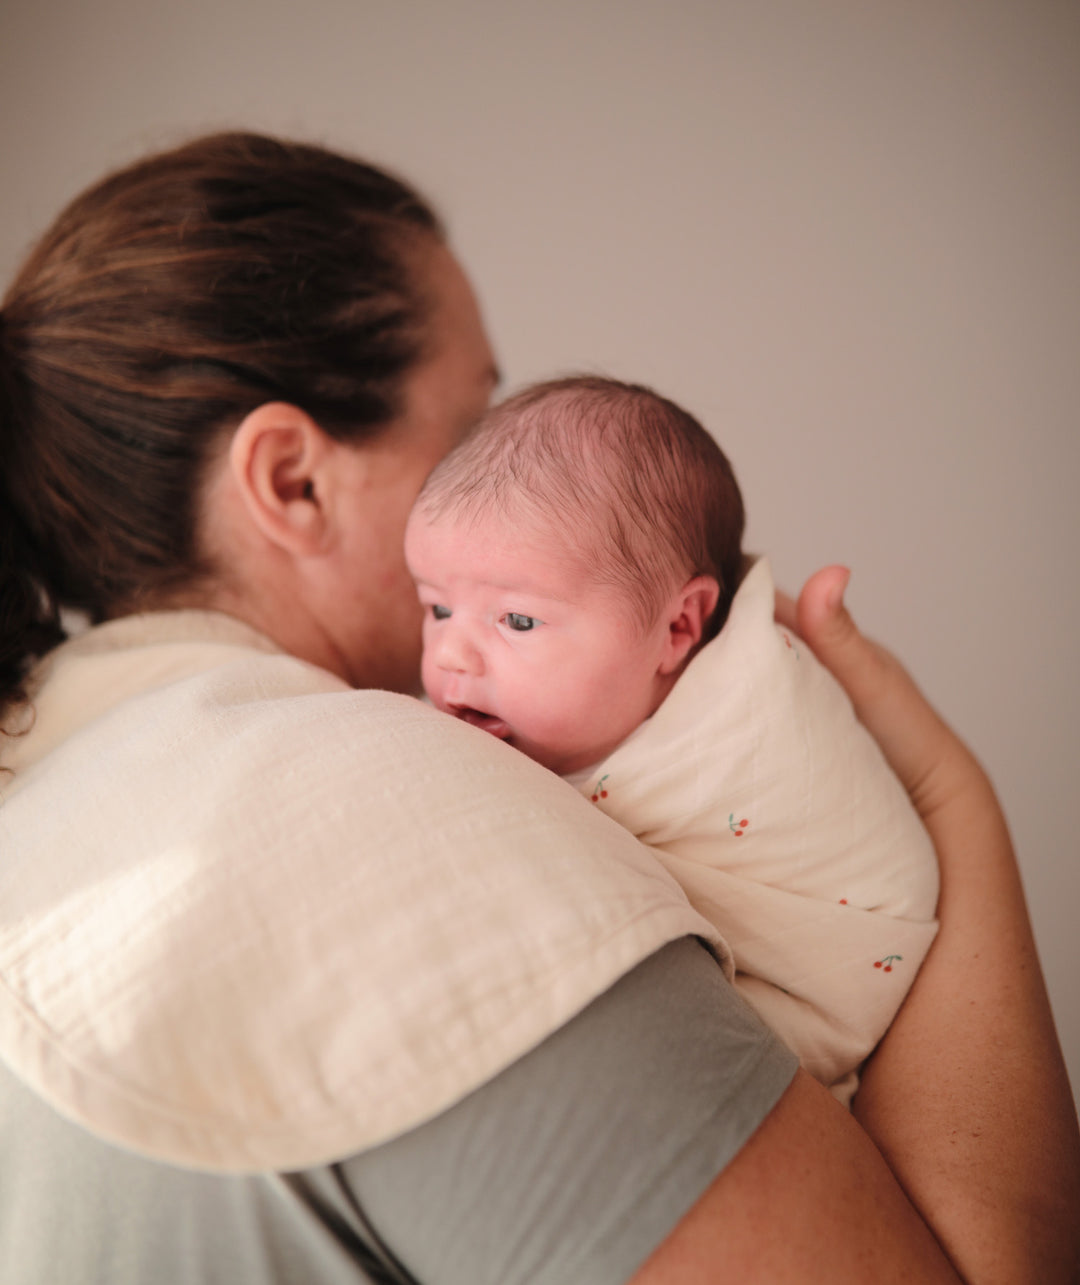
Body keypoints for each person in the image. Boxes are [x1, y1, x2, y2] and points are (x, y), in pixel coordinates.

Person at [0, 131, 1076, 1285]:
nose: (512, 474)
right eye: (473, 429)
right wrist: (951, 795)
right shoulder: (383, 797)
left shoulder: (50, 803)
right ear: (293, 481)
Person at [405, 375, 940, 1104]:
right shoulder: (577, 700)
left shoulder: (745, 724)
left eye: (518, 622)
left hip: (820, 977)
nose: (450, 657)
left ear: (680, 627)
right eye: (437, 607)